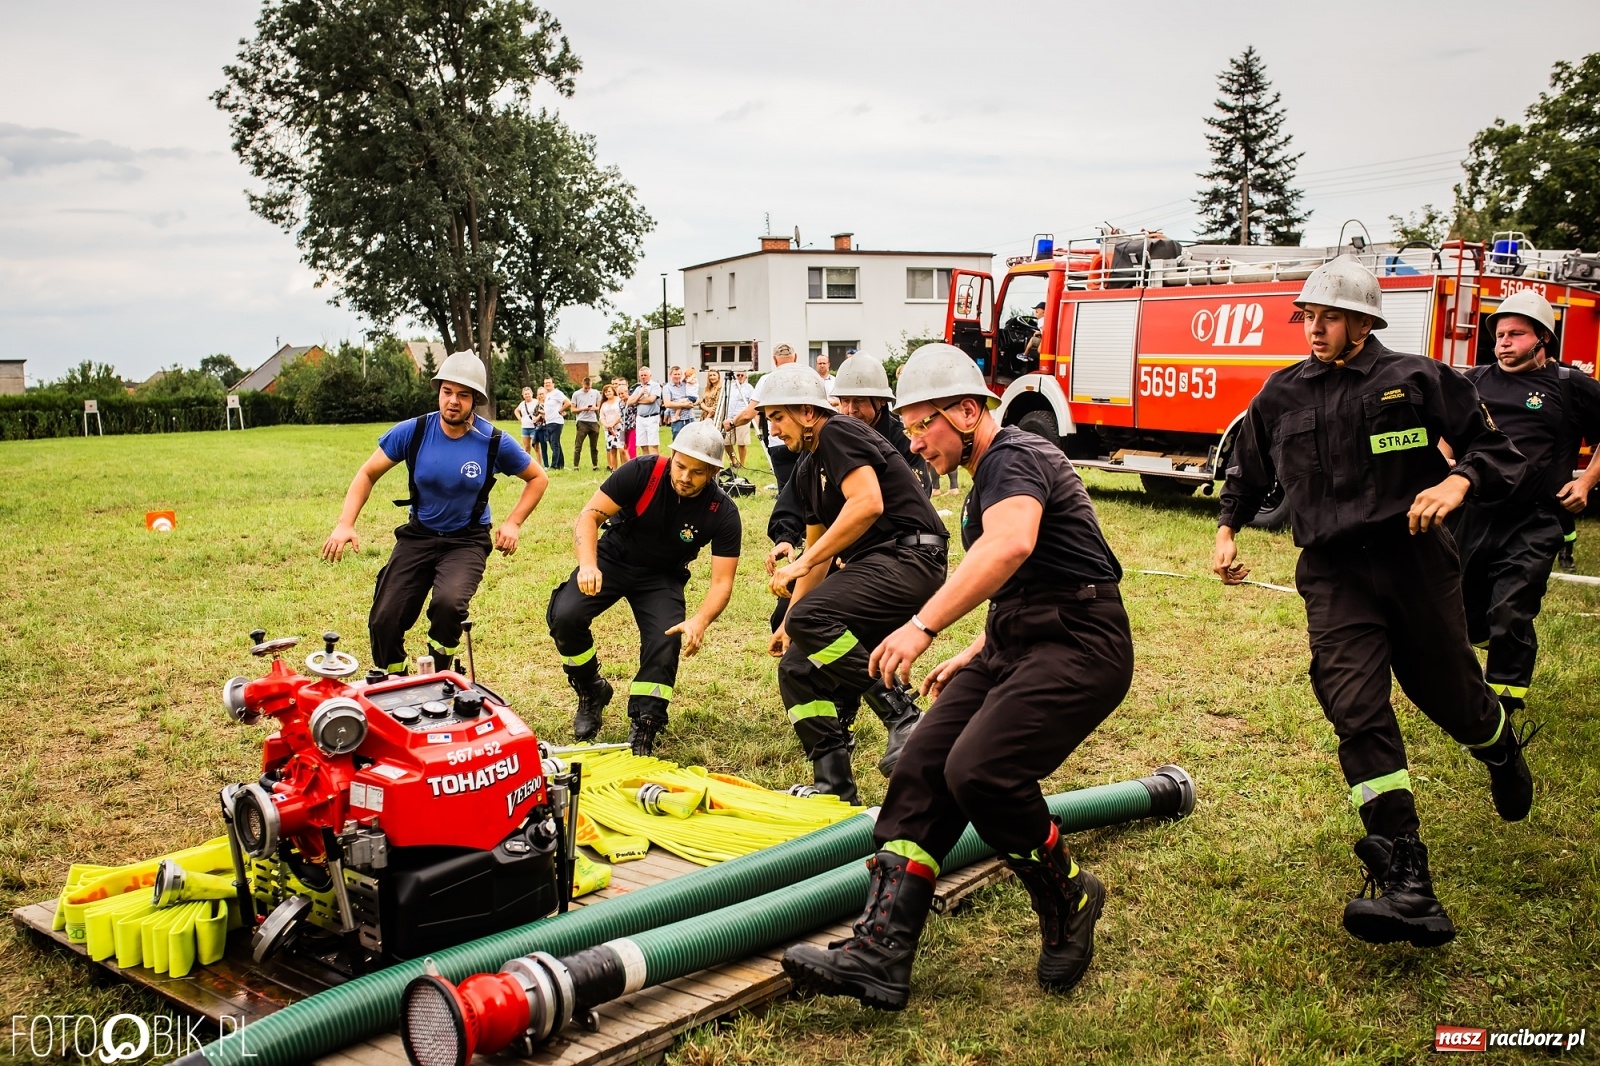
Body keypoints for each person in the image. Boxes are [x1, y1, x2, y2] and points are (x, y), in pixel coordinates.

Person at [783, 342, 1132, 1008]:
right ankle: (881, 951)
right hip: (1017, 641)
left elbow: (1012, 547)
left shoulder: (1015, 456)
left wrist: (923, 625)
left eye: (924, 426)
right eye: (908, 428)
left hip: (1083, 644)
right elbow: (1023, 580)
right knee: (921, 762)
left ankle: (1069, 895)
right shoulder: (986, 480)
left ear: (969, 412)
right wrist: (979, 648)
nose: (914, 444)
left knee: (978, 770)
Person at [1213, 255, 1530, 949]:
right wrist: (1228, 529)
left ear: (1362, 321)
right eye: (1308, 316)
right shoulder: (1281, 395)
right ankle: (1406, 873)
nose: (1314, 329)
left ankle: (1500, 746)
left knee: (1452, 698)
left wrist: (1457, 484)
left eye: (1328, 317)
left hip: (1415, 564)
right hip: (1333, 575)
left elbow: (1496, 449)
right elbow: (1248, 468)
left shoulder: (1416, 379)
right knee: (1354, 706)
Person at [758, 363, 949, 803]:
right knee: (797, 669)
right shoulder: (806, 469)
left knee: (812, 616)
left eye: (778, 417)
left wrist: (800, 567)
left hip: (910, 556)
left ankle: (904, 717)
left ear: (808, 412)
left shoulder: (838, 432)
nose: (772, 428)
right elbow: (819, 545)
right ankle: (834, 789)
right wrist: (789, 621)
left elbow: (866, 504)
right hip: (879, 564)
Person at [322, 351, 549, 674]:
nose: (453, 401)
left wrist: (513, 523)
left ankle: (441, 673)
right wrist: (346, 523)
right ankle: (396, 680)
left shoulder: (493, 441)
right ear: (438, 391)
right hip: (419, 535)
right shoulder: (413, 432)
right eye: (447, 391)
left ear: (475, 400)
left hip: (466, 541)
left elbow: (538, 478)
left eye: (463, 395)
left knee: (448, 605)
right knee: (384, 618)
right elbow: (367, 473)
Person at [547, 421, 742, 755]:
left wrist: (701, 620)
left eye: (697, 473)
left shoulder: (722, 512)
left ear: (712, 472)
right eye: (681, 466)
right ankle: (591, 688)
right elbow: (589, 516)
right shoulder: (642, 471)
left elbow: (722, 582)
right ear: (672, 455)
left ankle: (646, 723)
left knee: (666, 640)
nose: (685, 477)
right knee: (565, 614)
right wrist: (589, 564)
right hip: (613, 558)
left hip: (662, 576)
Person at [1453, 289, 1600, 719]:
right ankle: (1489, 638)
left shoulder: (1570, 387)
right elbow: (1446, 427)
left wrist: (1587, 481)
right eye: (1499, 334)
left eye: (1515, 334)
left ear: (1542, 340)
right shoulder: (1474, 380)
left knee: (1511, 611)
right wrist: (1445, 462)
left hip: (1536, 519)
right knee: (1462, 611)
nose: (1503, 342)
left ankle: (1503, 708)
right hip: (1475, 515)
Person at [726, 344, 802, 486]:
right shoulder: (806, 377)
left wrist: (731, 423)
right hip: (805, 441)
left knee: (786, 491)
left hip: (780, 441)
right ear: (796, 357)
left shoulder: (766, 380)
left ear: (774, 359)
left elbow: (749, 413)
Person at [722, 369, 757, 468]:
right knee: (726, 443)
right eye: (738, 375)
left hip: (742, 419)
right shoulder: (730, 387)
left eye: (742, 375)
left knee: (742, 443)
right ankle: (734, 461)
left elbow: (752, 404)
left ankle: (742, 464)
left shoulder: (749, 388)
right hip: (729, 418)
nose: (740, 377)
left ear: (746, 377)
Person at [571, 376, 604, 472]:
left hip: (593, 421)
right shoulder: (576, 394)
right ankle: (576, 465)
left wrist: (595, 408)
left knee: (594, 445)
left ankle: (595, 465)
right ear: (582, 384)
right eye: (586, 388)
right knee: (578, 444)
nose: (587, 389)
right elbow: (573, 409)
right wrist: (583, 408)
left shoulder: (596, 393)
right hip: (582, 421)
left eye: (589, 388)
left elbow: (599, 406)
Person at [630, 367, 663, 456]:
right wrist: (640, 395)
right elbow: (629, 402)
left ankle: (655, 465)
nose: (643, 377)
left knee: (653, 445)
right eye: (641, 375)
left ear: (650, 376)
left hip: (652, 417)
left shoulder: (655, 386)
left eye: (645, 375)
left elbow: (651, 400)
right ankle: (646, 466)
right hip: (640, 418)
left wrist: (637, 401)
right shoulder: (638, 388)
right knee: (643, 445)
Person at [541, 377, 570, 471]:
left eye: (549, 383)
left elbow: (567, 402)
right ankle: (560, 464)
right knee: (555, 443)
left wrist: (560, 410)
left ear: (553, 384)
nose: (547, 384)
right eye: (545, 383)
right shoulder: (547, 395)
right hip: (549, 421)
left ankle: (554, 466)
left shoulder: (557, 393)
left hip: (556, 421)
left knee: (554, 443)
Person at [600, 384, 625, 471]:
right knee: (612, 450)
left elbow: (621, 414)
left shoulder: (619, 401)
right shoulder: (604, 404)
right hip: (609, 431)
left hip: (620, 428)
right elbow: (601, 417)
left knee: (622, 449)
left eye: (609, 391)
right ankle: (614, 470)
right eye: (605, 392)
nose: (607, 393)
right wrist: (606, 425)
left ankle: (624, 469)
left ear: (613, 391)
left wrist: (613, 423)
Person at [614, 376, 638, 459]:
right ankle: (628, 465)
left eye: (622, 393)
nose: (621, 395)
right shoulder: (620, 403)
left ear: (627, 392)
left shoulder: (632, 400)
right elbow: (621, 415)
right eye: (619, 394)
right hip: (624, 428)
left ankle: (634, 465)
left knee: (632, 448)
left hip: (633, 427)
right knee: (624, 448)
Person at [514, 386, 539, 457]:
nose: (527, 395)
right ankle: (528, 463)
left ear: (532, 393)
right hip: (525, 428)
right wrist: (520, 418)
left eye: (528, 393)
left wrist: (538, 418)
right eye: (525, 394)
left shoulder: (536, 402)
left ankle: (539, 464)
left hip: (534, 427)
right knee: (527, 448)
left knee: (536, 447)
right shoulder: (522, 404)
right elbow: (516, 411)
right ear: (523, 395)